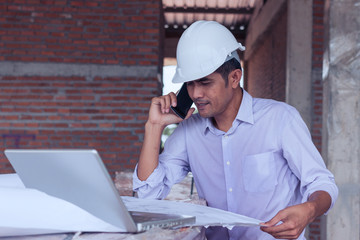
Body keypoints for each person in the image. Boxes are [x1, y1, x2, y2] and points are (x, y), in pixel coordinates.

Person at [132, 20, 338, 239]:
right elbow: (147, 196)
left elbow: (321, 183)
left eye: (205, 82)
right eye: (190, 84)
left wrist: (309, 210)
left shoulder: (279, 119)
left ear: (234, 77)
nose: (195, 94)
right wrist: (154, 126)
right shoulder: (188, 132)